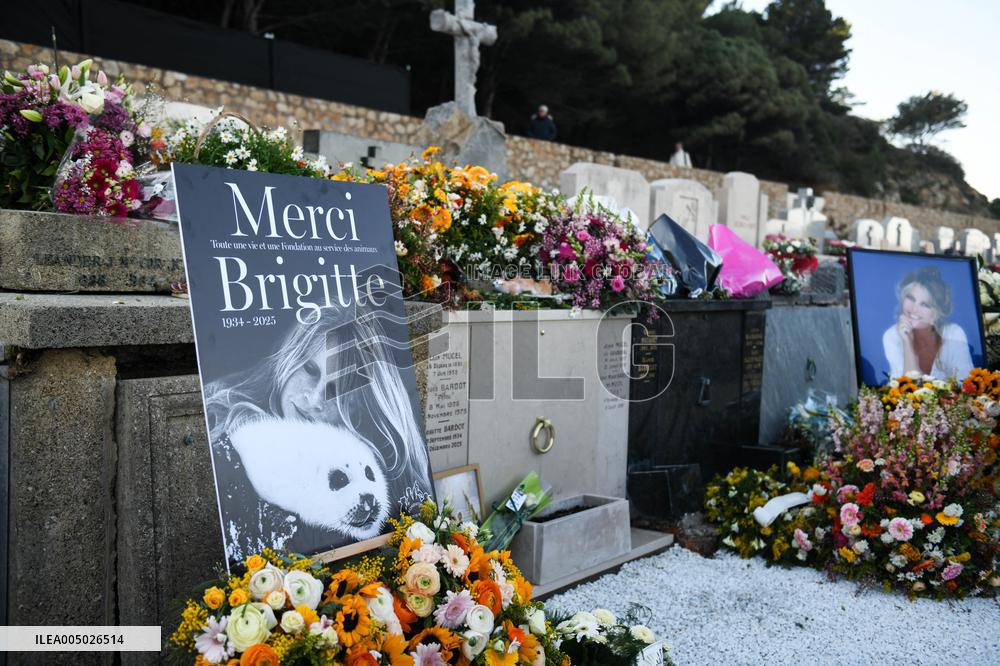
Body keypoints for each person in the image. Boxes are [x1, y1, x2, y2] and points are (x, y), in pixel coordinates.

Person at [204, 304, 433, 562]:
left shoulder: (364, 468)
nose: (313, 398)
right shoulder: (225, 432)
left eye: (336, 389)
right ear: (290, 358)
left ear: (357, 406)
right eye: (310, 370)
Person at [881, 266, 974, 380]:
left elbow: (966, 382)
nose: (914, 309)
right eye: (911, 298)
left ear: (936, 314)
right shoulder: (892, 336)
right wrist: (907, 343)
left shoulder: (954, 333)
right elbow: (906, 386)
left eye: (925, 305)